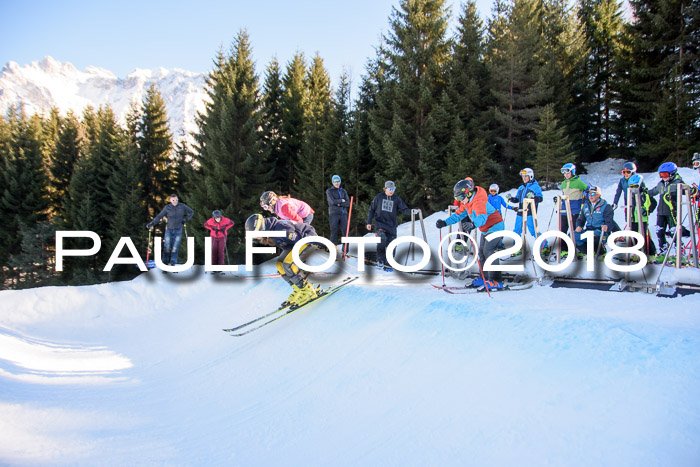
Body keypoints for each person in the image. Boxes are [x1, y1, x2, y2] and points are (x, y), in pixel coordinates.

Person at [435, 179, 505, 289]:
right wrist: (444, 222)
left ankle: (496, 281)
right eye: (457, 199)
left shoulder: (478, 201)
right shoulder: (468, 203)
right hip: (486, 229)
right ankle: (484, 278)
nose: (460, 201)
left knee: (489, 251)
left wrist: (473, 224)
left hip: (496, 226)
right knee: (481, 253)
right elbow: (457, 215)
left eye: (460, 198)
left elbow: (482, 217)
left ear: (468, 192)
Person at [245, 213, 320, 307]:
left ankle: (308, 291)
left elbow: (298, 239)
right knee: (279, 264)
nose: (256, 237)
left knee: (288, 264)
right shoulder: (271, 231)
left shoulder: (280, 228)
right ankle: (299, 289)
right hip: (297, 244)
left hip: (307, 240)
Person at [647, 162, 691, 255]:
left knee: (673, 232)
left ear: (672, 173)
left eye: (665, 174)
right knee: (659, 232)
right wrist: (643, 192)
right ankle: (663, 251)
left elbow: (687, 190)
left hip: (672, 212)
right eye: (661, 175)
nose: (663, 177)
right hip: (661, 212)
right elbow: (653, 192)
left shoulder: (678, 183)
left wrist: (691, 191)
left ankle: (680, 252)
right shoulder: (661, 184)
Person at [366, 180, 412, 270]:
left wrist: (412, 211)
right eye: (390, 189)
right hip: (380, 223)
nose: (391, 191)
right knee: (382, 239)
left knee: (392, 244)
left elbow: (404, 209)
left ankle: (389, 263)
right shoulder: (379, 197)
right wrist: (369, 222)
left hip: (391, 225)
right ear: (385, 189)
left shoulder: (396, 198)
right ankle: (380, 260)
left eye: (393, 189)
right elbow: (371, 210)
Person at [146, 193, 194, 267]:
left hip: (178, 229)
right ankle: (165, 263)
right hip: (169, 229)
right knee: (167, 247)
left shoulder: (182, 206)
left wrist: (185, 219)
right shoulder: (167, 207)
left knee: (175, 247)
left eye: (176, 200)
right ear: (170, 200)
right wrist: (152, 223)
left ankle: (173, 263)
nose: (175, 201)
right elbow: (159, 216)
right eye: (173, 200)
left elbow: (191, 212)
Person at [507, 168, 544, 254]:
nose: (524, 178)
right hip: (520, 211)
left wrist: (533, 198)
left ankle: (544, 245)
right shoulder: (521, 188)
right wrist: (511, 198)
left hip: (530, 211)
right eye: (523, 176)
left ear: (530, 176)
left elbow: (540, 198)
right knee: (517, 230)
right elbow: (517, 199)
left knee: (533, 231)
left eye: (526, 176)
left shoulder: (535, 187)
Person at [557, 163, 590, 256]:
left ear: (572, 172)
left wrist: (586, 197)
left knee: (575, 230)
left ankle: (578, 249)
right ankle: (564, 250)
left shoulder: (579, 181)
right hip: (564, 210)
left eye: (567, 173)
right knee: (562, 230)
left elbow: (589, 189)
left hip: (575, 210)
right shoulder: (563, 183)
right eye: (564, 173)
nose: (566, 175)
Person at [575, 186, 617, 257]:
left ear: (599, 195)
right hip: (588, 231)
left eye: (593, 194)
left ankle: (601, 252)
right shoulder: (586, 207)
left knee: (593, 238)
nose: (591, 196)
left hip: (599, 231)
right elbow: (580, 219)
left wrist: (606, 227)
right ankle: (588, 253)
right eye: (589, 194)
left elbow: (610, 222)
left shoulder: (606, 206)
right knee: (573, 236)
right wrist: (579, 226)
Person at [626, 174, 657, 256]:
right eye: (631, 186)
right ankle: (637, 253)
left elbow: (653, 203)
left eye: (635, 186)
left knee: (643, 236)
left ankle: (651, 253)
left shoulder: (645, 194)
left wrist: (647, 210)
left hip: (642, 219)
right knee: (634, 236)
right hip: (633, 218)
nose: (633, 188)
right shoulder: (631, 194)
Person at [325, 174, 350, 245]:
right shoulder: (329, 191)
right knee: (334, 231)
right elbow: (332, 202)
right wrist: (341, 200)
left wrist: (339, 203)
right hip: (334, 214)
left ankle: (346, 249)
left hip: (343, 214)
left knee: (346, 232)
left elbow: (347, 203)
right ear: (333, 182)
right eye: (335, 181)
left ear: (340, 182)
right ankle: (333, 247)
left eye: (338, 181)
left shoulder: (343, 191)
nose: (336, 183)